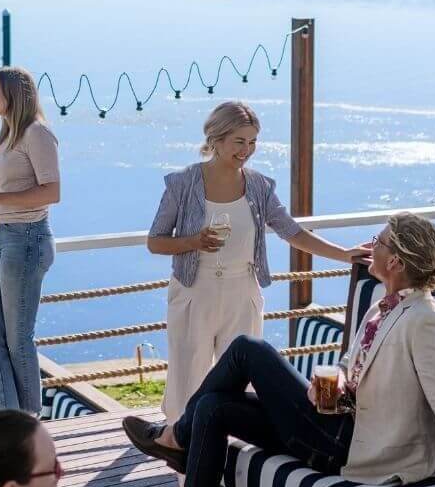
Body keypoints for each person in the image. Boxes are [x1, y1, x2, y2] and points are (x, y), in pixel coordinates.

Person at [119, 212, 435, 487]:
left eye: (380, 241)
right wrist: (339, 378)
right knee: (214, 408)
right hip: (334, 420)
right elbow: (352, 366)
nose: (371, 244)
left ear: (397, 262)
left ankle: (174, 436)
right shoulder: (382, 308)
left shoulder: (425, 322)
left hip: (353, 444)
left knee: (247, 349)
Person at [149, 99, 370, 426]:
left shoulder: (259, 186)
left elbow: (292, 231)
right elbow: (155, 241)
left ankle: (225, 451)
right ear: (216, 139)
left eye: (252, 141)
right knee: (187, 377)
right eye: (239, 141)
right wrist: (193, 242)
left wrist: (344, 254)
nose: (247, 149)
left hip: (243, 292)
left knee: (237, 381)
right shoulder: (182, 184)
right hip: (194, 292)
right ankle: (179, 447)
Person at [0, 67, 60, 415]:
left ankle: (28, 425)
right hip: (3, 238)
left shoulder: (37, 134)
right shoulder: (8, 135)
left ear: (12, 96)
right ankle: (8, 420)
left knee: (18, 341)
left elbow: (52, 191)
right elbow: (12, 186)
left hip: (28, 240)